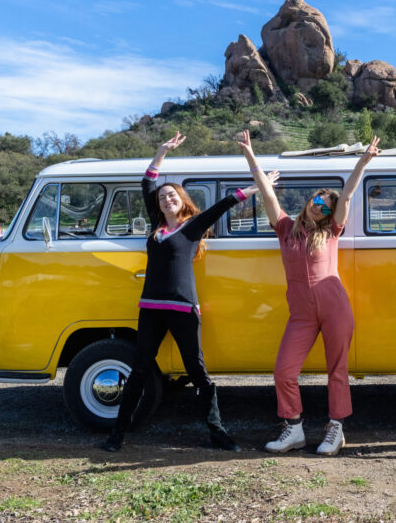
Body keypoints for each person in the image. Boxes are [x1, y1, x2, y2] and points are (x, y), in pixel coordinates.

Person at [102, 132, 276, 452]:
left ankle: (217, 432)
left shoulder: (192, 226)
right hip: (151, 308)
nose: (167, 199)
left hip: (183, 308)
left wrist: (258, 186)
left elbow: (224, 205)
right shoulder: (157, 224)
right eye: (163, 197)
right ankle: (118, 434)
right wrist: (161, 151)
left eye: (173, 196)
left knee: (197, 371)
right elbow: (147, 182)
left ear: (182, 200)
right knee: (140, 369)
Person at [238, 129, 380, 456]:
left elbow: (346, 196)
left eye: (327, 207)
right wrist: (250, 154)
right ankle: (294, 429)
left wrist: (363, 161)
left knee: (337, 370)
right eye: (319, 201)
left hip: (334, 307)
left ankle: (336, 429)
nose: (322, 207)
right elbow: (266, 193)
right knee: (284, 371)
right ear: (310, 200)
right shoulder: (285, 227)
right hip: (301, 313)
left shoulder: (331, 231)